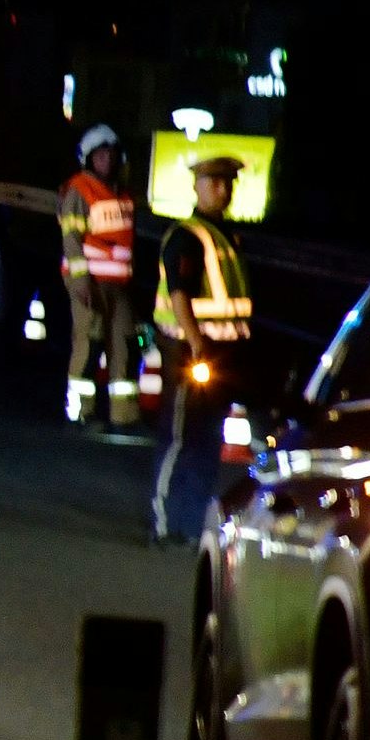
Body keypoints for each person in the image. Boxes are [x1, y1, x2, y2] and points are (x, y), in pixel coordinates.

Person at [150, 152, 255, 546]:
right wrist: (196, 342)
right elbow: (180, 295)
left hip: (221, 354)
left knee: (208, 443)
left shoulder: (227, 236)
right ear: (197, 187)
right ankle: (164, 522)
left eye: (228, 183)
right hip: (189, 351)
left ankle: (192, 523)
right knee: (180, 439)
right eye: (215, 182)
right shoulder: (188, 236)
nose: (222, 190)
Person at [58, 125, 143, 431]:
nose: (107, 160)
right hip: (89, 282)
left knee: (125, 345)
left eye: (111, 154)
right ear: (89, 159)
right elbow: (71, 239)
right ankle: (81, 412)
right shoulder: (80, 190)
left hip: (120, 286)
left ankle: (124, 416)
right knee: (89, 345)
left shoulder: (123, 194)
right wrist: (80, 279)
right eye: (101, 155)